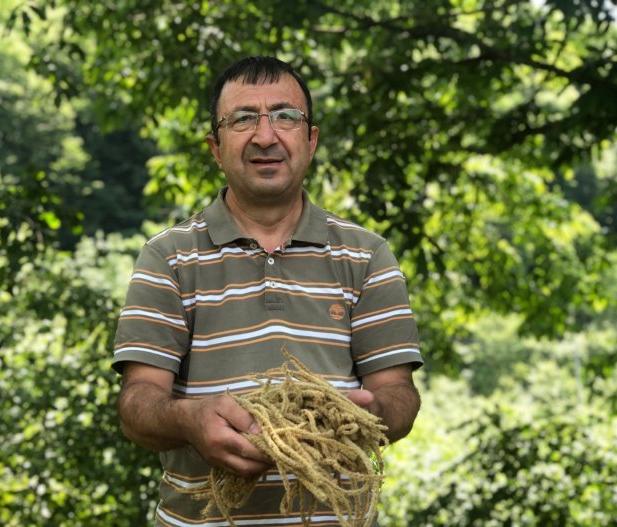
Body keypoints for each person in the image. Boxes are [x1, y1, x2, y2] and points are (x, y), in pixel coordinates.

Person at [112, 56, 423, 527]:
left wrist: (368, 415)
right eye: (242, 120)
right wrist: (191, 420)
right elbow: (137, 404)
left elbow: (398, 393)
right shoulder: (168, 257)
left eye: (285, 116)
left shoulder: (367, 256)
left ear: (311, 139)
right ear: (216, 148)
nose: (264, 136)